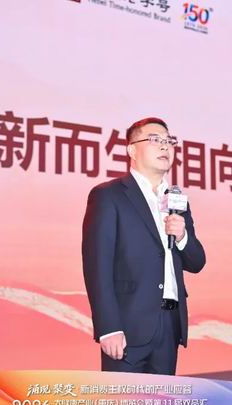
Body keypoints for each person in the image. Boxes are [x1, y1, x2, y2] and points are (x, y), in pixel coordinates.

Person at [82, 117, 206, 375]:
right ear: (131, 150)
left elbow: (196, 262)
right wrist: (108, 327)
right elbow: (97, 266)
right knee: (124, 401)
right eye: (155, 140)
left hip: (169, 325)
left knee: (161, 401)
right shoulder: (109, 195)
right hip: (127, 326)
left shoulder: (177, 200)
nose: (165, 146)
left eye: (169, 141)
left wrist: (182, 236)